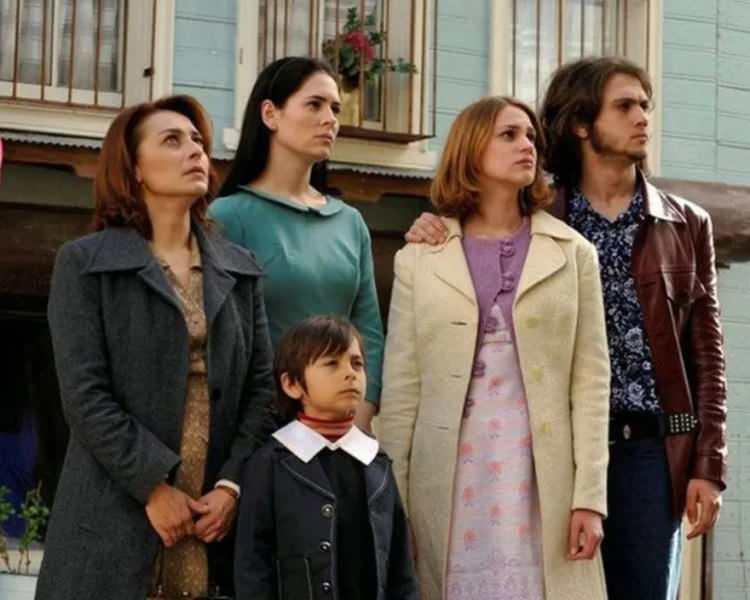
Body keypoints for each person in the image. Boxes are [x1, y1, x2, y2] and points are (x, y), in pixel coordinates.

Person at [406, 56, 728, 600]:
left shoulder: (685, 224)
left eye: (645, 105)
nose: (642, 117)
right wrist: (433, 227)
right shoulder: (541, 217)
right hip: (550, 449)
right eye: (624, 106)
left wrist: (708, 464)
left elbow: (708, 356)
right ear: (581, 123)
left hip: (648, 451)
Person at [36, 95, 276, 600]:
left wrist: (231, 486)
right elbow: (84, 395)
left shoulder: (240, 268)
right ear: (135, 168)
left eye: (198, 141)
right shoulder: (84, 265)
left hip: (215, 521)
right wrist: (152, 485)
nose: (195, 150)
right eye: (172, 140)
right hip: (113, 516)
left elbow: (261, 390)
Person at [379, 96, 611, 600]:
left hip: (542, 477)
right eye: (508, 135)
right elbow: (401, 390)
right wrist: (393, 505)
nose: (527, 145)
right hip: (450, 477)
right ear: (470, 149)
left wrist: (590, 498)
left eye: (530, 136)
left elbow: (592, 383)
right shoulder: (420, 257)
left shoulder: (574, 253)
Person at [209, 57, 383, 432]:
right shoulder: (226, 217)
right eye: (314, 104)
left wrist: (360, 417)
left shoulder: (350, 222)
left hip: (342, 428)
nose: (330, 119)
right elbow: (220, 339)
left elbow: (368, 328)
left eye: (335, 108)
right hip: (258, 428)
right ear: (270, 114)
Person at [234, 315, 418, 600]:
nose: (350, 374)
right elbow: (252, 568)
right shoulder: (270, 463)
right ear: (292, 384)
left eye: (357, 364)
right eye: (332, 364)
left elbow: (400, 570)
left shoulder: (376, 461)